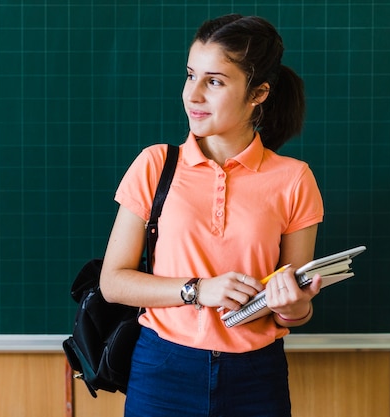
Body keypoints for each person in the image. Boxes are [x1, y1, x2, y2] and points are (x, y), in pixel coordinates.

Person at [99, 14, 324, 417]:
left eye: (214, 81)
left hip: (256, 375)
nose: (193, 95)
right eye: (190, 76)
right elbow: (113, 283)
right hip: (162, 369)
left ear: (258, 93)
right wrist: (198, 289)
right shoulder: (155, 164)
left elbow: (295, 304)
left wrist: (294, 305)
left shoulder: (294, 178)